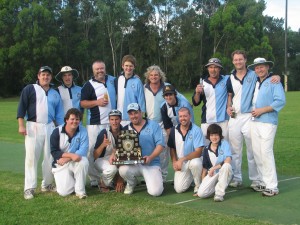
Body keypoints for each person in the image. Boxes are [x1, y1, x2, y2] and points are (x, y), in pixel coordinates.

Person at [227, 50, 280, 188]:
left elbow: (266, 77)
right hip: (234, 117)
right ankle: (236, 178)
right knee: (235, 150)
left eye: (240, 59)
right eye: (236, 60)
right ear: (233, 61)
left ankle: (256, 180)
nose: (238, 62)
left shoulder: (254, 74)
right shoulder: (230, 77)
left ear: (245, 60)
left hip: (249, 116)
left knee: (252, 150)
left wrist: (277, 76)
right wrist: (228, 106)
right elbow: (230, 94)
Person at [17, 66, 64, 200]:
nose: (45, 77)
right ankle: (29, 188)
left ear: (51, 77)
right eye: (43, 75)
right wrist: (21, 125)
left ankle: (47, 184)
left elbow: (59, 114)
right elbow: (21, 107)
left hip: (50, 126)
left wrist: (60, 129)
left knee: (50, 157)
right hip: (33, 126)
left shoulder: (55, 93)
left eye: (48, 75)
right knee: (32, 157)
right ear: (38, 76)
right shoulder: (30, 89)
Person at [248, 57, 285, 196]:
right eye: (257, 67)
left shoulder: (274, 81)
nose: (259, 69)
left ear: (268, 67)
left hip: (268, 121)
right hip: (254, 122)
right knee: (257, 153)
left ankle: (272, 186)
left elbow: (280, 101)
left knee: (266, 152)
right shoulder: (256, 82)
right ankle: (264, 182)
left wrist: (261, 110)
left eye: (262, 67)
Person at [80, 60, 117, 187]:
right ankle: (94, 178)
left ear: (105, 69)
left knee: (111, 149)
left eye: (102, 68)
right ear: (93, 71)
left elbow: (124, 80)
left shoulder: (112, 80)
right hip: (95, 123)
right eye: (97, 69)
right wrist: (97, 102)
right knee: (92, 151)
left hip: (112, 123)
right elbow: (83, 103)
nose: (100, 71)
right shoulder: (88, 85)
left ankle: (109, 176)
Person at [117, 103, 165, 196]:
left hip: (151, 163)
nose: (133, 116)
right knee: (122, 169)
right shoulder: (126, 129)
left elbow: (160, 145)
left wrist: (151, 157)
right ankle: (131, 183)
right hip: (134, 164)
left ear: (141, 112)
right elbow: (121, 148)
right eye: (131, 114)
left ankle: (156, 179)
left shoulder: (153, 125)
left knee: (155, 192)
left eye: (135, 113)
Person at [50, 108, 89, 199]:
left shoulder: (83, 131)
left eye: (77, 119)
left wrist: (68, 158)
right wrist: (71, 155)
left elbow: (83, 149)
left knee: (83, 161)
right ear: (66, 120)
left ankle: (80, 192)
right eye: (72, 119)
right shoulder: (57, 132)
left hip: (73, 161)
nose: (74, 121)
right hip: (60, 163)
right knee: (64, 192)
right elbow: (54, 151)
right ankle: (73, 181)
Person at [167, 107, 204, 194]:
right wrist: (174, 161)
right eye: (180, 116)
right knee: (179, 189)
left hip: (194, 159)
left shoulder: (196, 130)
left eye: (185, 116)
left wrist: (182, 159)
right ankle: (191, 176)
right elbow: (172, 148)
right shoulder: (174, 130)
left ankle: (198, 185)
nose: (183, 119)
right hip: (182, 162)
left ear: (190, 116)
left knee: (195, 163)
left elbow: (198, 152)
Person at [192, 58, 229, 144]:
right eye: (211, 67)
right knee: (207, 147)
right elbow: (196, 102)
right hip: (207, 121)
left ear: (219, 69)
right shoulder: (202, 83)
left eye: (216, 67)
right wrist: (197, 93)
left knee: (224, 146)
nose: (213, 70)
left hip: (223, 120)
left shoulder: (227, 80)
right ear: (208, 69)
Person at [144, 65, 171, 182]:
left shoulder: (167, 87)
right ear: (148, 76)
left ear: (160, 76)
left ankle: (163, 176)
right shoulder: (144, 88)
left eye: (156, 74)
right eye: (151, 75)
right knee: (149, 149)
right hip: (149, 123)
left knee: (163, 150)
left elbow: (176, 99)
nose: (154, 77)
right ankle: (150, 175)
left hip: (163, 123)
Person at [196, 124, 233, 202]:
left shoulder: (224, 144)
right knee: (201, 194)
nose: (214, 137)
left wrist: (214, 168)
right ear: (209, 136)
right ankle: (217, 186)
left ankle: (219, 194)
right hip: (213, 174)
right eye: (212, 135)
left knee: (226, 165)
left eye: (216, 135)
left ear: (220, 135)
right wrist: (202, 185)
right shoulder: (206, 149)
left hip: (224, 172)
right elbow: (205, 169)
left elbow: (228, 159)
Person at [93, 109, 125, 193]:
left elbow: (127, 153)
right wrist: (103, 145)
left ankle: (115, 180)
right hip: (102, 159)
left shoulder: (125, 132)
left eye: (116, 119)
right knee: (112, 169)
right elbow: (95, 156)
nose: (114, 122)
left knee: (128, 172)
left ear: (120, 120)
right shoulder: (104, 133)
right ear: (109, 120)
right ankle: (103, 183)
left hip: (119, 159)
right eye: (112, 119)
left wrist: (120, 178)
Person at [116, 55, 146, 126]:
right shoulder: (119, 79)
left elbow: (141, 101)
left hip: (133, 118)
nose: (128, 68)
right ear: (122, 66)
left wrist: (141, 117)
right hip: (119, 118)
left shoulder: (137, 81)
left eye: (131, 66)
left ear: (134, 67)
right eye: (126, 65)